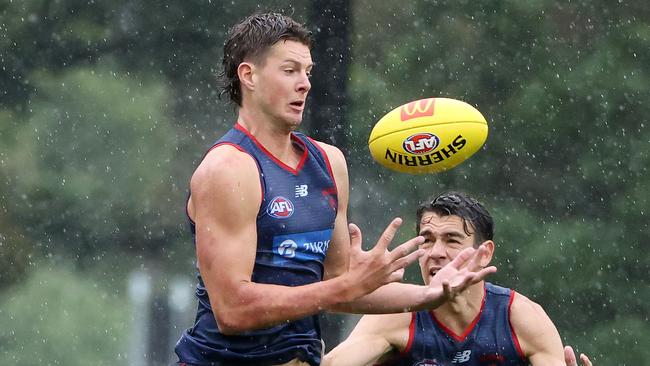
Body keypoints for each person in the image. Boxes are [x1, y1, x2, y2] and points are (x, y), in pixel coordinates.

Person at [173, 13, 496, 366]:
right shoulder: (229, 169)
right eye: (290, 70)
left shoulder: (329, 163)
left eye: (308, 72)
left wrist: (430, 295)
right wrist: (345, 286)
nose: (305, 84)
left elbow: (340, 288)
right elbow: (232, 310)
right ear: (248, 75)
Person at [323, 191, 593, 366]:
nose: (436, 253)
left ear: (484, 253)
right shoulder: (398, 315)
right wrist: (349, 285)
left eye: (452, 240)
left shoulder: (520, 318)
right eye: (427, 241)